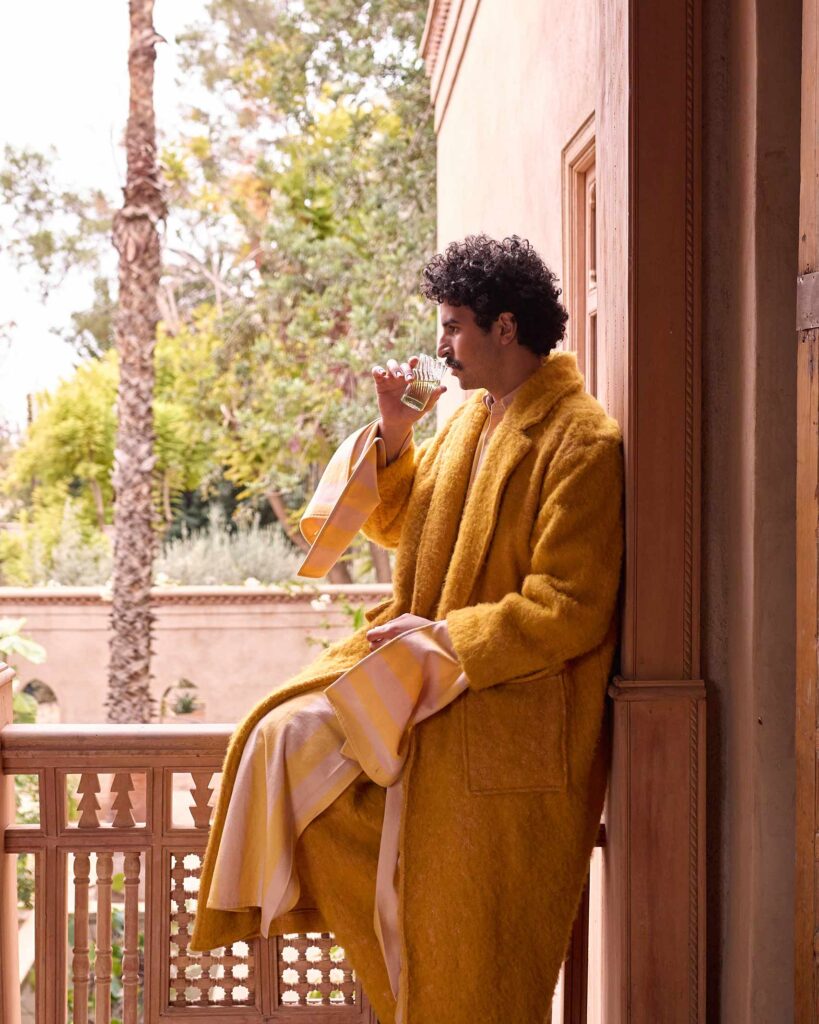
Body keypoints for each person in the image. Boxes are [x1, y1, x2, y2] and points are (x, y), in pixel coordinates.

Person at [192, 233, 626, 1024]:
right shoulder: (466, 424)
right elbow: (406, 531)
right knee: (282, 742)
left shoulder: (580, 440)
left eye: (453, 325)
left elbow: (569, 603)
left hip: (502, 718)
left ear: (503, 327)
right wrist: (395, 433)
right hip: (428, 690)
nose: (439, 346)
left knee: (472, 956)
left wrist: (446, 641)